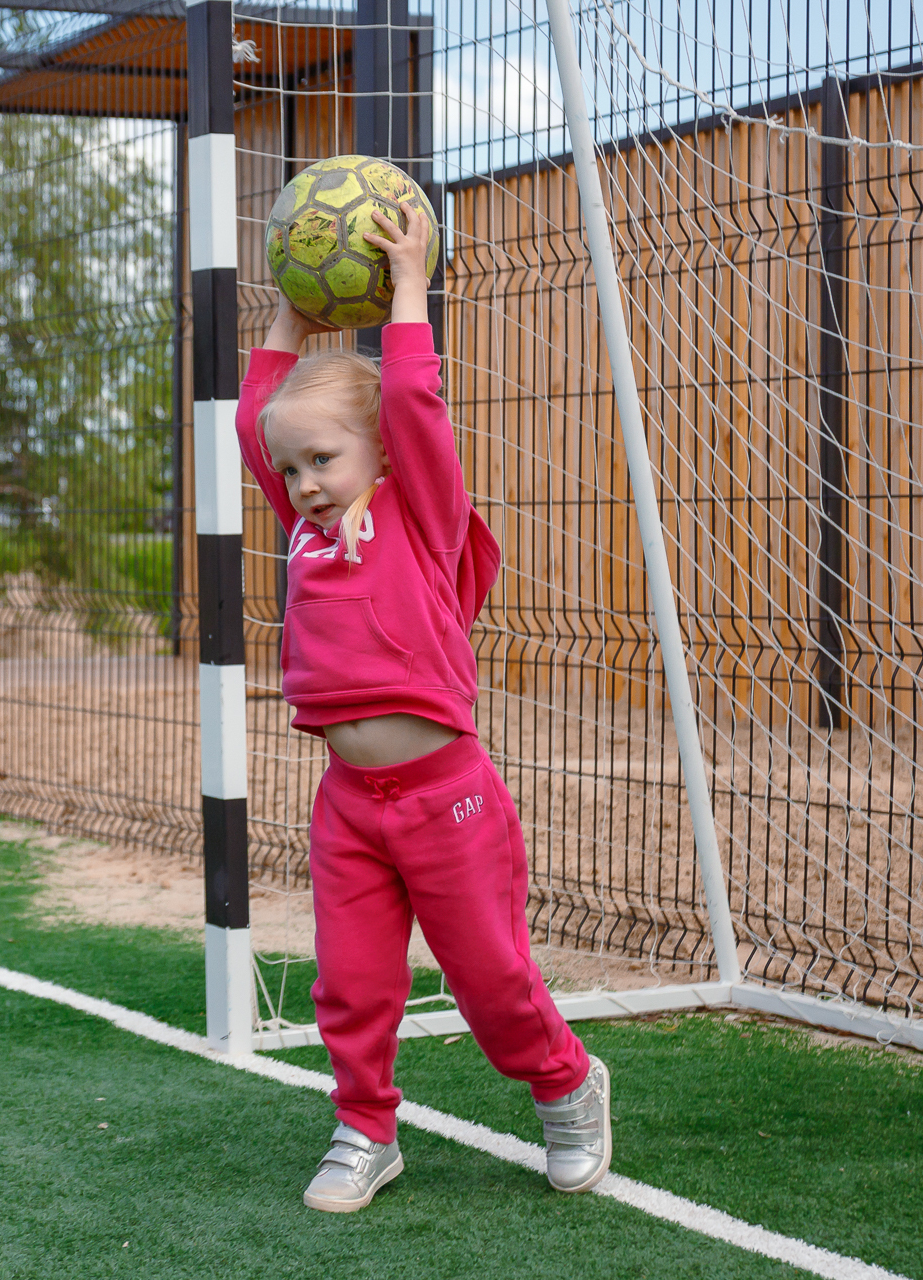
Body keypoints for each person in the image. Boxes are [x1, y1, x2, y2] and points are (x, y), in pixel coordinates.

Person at [236, 200, 612, 1213]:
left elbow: (412, 399)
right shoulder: (307, 531)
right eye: (292, 469)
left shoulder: (423, 518)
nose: (303, 483)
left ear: (383, 454)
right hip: (349, 803)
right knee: (350, 984)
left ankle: (565, 1081)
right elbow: (256, 424)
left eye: (324, 460)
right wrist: (289, 316)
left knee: (489, 979)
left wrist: (409, 284)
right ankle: (365, 1128)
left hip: (448, 799)